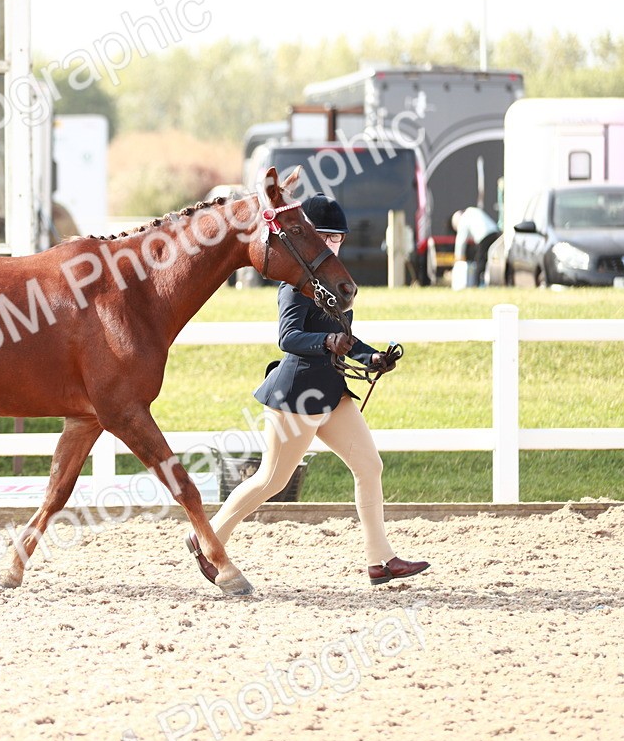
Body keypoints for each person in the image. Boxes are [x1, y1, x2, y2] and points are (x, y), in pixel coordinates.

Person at [187, 193, 429, 595]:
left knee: (369, 466)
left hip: (332, 392)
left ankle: (380, 560)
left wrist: (372, 358)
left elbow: (346, 340)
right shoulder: (293, 286)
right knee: (271, 480)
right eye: (327, 237)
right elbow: (289, 337)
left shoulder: (335, 282)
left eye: (339, 238)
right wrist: (327, 341)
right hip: (297, 394)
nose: (334, 245)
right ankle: (208, 539)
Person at [452, 206, 501, 288]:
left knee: (480, 260)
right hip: (495, 233)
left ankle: (478, 284)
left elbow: (461, 241)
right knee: (493, 260)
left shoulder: (463, 219)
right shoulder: (472, 211)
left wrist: (458, 258)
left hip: (484, 237)